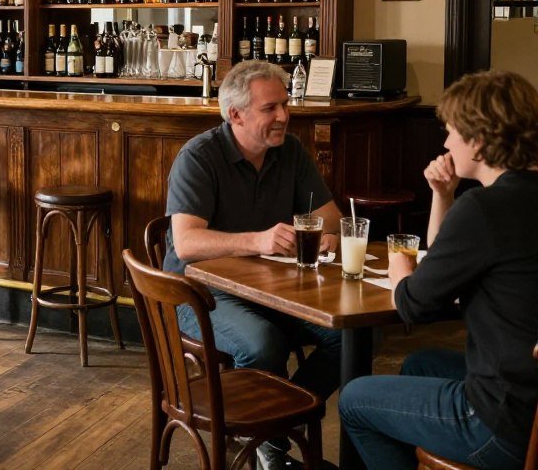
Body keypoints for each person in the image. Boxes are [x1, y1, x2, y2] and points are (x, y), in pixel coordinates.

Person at [340, 70, 538, 470]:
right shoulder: (510, 201)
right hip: (530, 395)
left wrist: (398, 269)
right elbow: (448, 264)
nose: (445, 142)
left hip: (500, 422)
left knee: (354, 400)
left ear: (479, 142)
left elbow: (415, 304)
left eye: (451, 132)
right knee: (420, 364)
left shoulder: (485, 210)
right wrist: (442, 195)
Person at [161, 60, 343, 469]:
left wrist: (326, 235)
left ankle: (270, 429)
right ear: (236, 115)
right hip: (199, 294)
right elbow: (187, 244)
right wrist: (257, 240)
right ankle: (274, 448)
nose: (283, 116)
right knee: (263, 344)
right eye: (270, 109)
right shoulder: (200, 156)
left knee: (353, 339)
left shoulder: (290, 151)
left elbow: (329, 216)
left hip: (270, 286)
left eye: (284, 104)